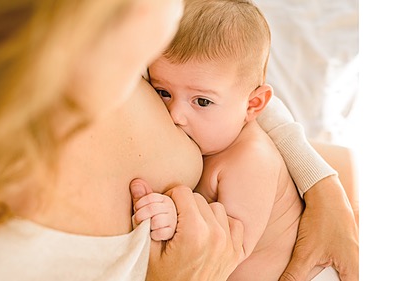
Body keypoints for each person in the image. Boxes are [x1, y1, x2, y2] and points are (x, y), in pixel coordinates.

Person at [0, 0, 357, 280]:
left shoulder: (129, 48)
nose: (176, 114)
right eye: (164, 94)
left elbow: (235, 80)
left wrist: (320, 182)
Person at [132, 0, 342, 280]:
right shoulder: (211, 136)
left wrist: (172, 217)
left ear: (253, 105)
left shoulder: (251, 160)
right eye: (163, 92)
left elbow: (228, 247)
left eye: (202, 101)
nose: (175, 115)